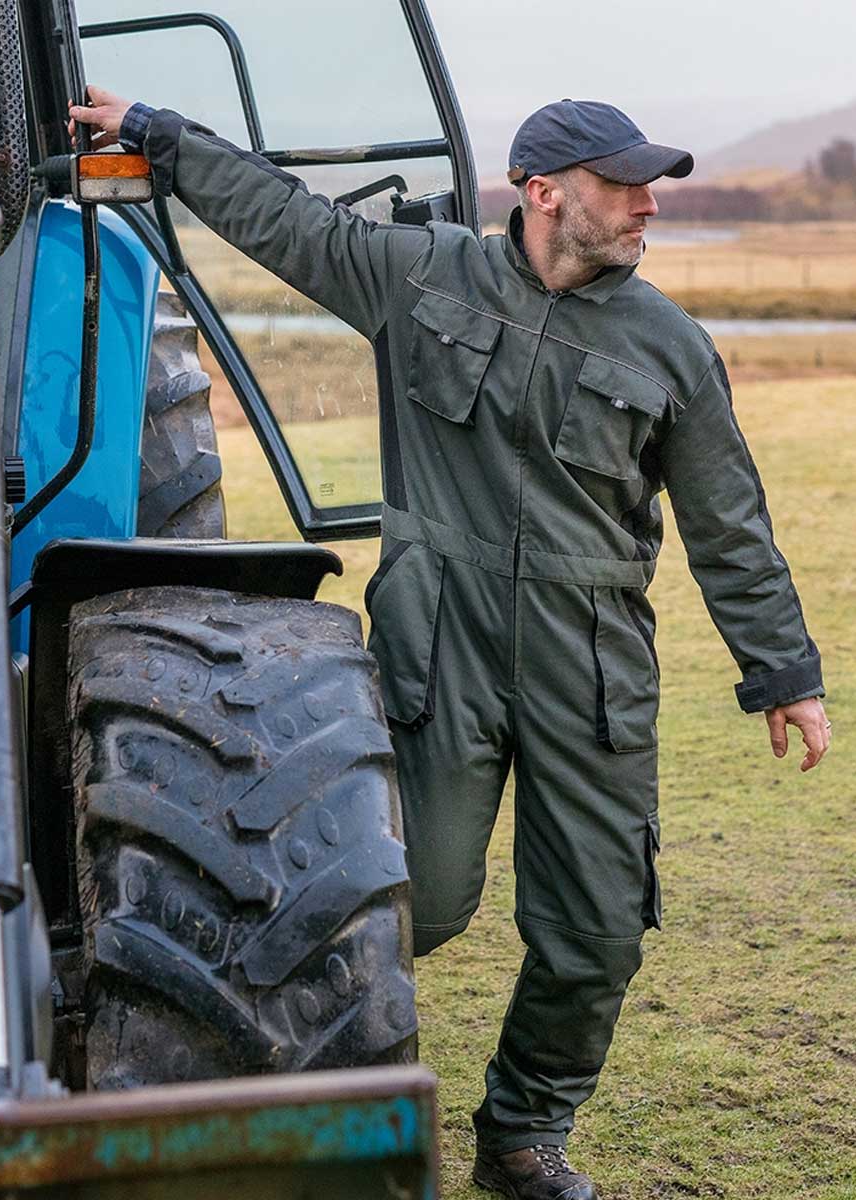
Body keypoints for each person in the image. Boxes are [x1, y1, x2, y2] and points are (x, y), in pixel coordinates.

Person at [70, 93, 831, 1200]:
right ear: (545, 193)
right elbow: (284, 219)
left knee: (598, 930)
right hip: (441, 642)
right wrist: (163, 134)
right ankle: (283, 1084)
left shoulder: (671, 346)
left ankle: (523, 1134)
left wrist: (785, 674)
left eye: (649, 186)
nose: (647, 206)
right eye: (624, 185)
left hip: (591, 660)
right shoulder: (421, 274)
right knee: (402, 896)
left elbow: (732, 528)